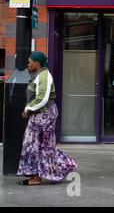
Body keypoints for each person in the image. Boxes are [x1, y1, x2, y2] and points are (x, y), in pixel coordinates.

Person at [17, 52, 78, 185]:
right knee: (39, 145)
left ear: (37, 63)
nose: (28, 64)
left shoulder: (44, 76)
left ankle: (60, 167)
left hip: (43, 115)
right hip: (42, 115)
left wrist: (28, 109)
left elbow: (42, 98)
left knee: (34, 145)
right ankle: (39, 176)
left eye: (30, 61)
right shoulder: (40, 75)